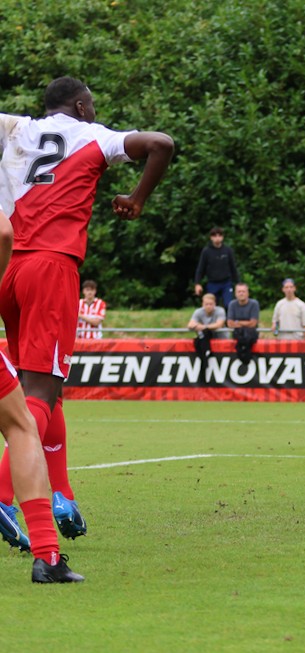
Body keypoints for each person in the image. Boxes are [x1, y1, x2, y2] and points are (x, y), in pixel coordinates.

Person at [0, 76, 174, 545]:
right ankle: (1, 492)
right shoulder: (94, 136)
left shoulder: (13, 129)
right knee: (38, 393)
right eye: (92, 106)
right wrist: (136, 200)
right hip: (52, 268)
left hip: (7, 271)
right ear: (80, 106)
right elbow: (162, 143)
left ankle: (62, 493)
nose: (94, 113)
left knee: (41, 387)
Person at [0, 208, 83, 582]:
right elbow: (4, 233)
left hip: (18, 276)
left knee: (45, 388)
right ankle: (6, 499)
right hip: (45, 262)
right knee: (25, 418)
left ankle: (63, 494)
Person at [193, 227, 239, 309]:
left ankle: (229, 321)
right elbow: (200, 268)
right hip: (212, 283)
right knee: (212, 306)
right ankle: (215, 322)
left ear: (222, 237)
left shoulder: (228, 250)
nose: (217, 238)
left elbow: (233, 268)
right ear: (211, 238)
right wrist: (197, 283)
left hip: (226, 283)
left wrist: (238, 283)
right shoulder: (206, 251)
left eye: (219, 236)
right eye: (215, 236)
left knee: (229, 305)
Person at [226, 282, 260, 362]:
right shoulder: (232, 304)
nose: (241, 294)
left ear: (247, 293)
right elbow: (230, 324)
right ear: (235, 293)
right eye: (239, 291)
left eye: (243, 291)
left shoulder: (254, 304)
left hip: (251, 335)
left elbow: (253, 324)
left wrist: (237, 322)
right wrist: (246, 323)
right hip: (237, 334)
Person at [187, 293, 227, 359]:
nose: (208, 306)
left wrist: (203, 327)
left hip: (221, 338)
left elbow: (219, 324)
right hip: (206, 339)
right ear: (202, 304)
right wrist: (199, 326)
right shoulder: (198, 311)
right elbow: (190, 324)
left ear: (215, 304)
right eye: (206, 304)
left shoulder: (220, 310)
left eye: (211, 304)